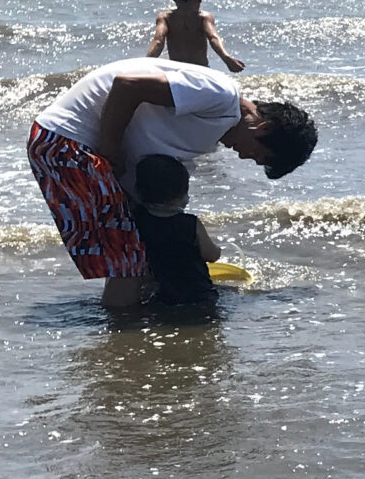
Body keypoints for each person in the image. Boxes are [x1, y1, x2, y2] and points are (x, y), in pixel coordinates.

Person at [25, 57, 315, 309]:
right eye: (259, 156)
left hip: (70, 146)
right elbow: (128, 85)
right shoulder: (220, 96)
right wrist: (111, 149)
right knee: (128, 261)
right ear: (262, 128)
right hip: (65, 141)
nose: (246, 158)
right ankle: (123, 333)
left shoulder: (208, 133)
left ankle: (135, 327)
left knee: (138, 247)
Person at [128, 155, 219, 306]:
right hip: (199, 294)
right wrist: (218, 250)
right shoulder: (190, 223)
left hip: (161, 296)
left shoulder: (137, 220)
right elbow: (211, 255)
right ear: (183, 193)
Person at [147, 0, 246, 72]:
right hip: (200, 69)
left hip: (177, 70)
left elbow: (158, 40)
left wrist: (146, 62)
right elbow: (214, 38)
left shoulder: (166, 17)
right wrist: (226, 58)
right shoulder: (203, 17)